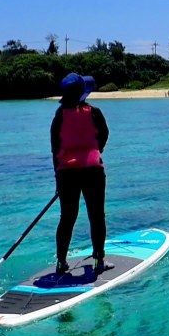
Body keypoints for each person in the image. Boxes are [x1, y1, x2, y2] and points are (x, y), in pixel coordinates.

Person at [51, 73, 114, 275]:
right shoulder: (94, 113)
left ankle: (61, 262)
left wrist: (57, 179)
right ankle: (99, 261)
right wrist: (95, 152)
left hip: (66, 173)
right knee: (96, 216)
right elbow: (104, 135)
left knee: (67, 217)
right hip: (92, 170)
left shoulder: (59, 116)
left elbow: (55, 148)